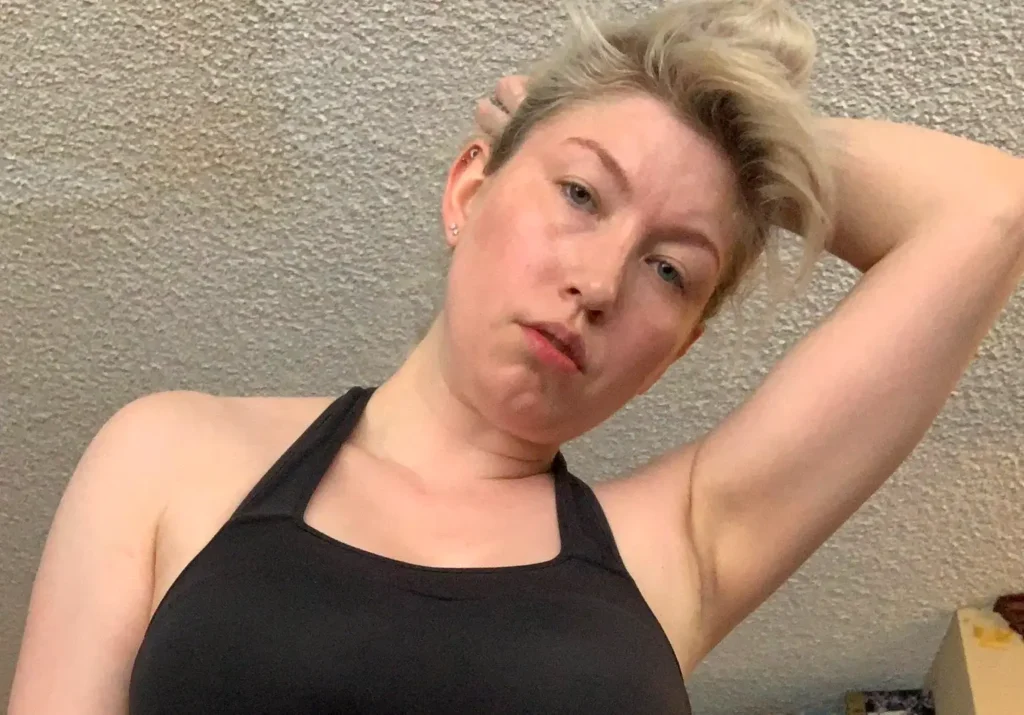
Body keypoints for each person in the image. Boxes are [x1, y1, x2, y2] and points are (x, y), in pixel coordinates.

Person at [8, 0, 1024, 713]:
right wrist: (620, 101)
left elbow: (988, 208)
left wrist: (732, 144)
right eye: (580, 194)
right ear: (468, 189)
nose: (601, 281)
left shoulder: (681, 546)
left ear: (677, 350)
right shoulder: (170, 455)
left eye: (670, 268)